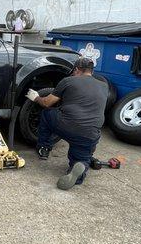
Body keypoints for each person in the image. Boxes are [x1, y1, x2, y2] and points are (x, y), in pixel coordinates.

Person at [26, 57, 108, 190]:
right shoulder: (104, 86)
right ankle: (79, 168)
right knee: (82, 156)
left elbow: (47, 103)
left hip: (67, 125)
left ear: (76, 70)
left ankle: (44, 148)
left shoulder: (68, 81)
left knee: (47, 114)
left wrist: (36, 97)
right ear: (91, 71)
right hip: (91, 133)